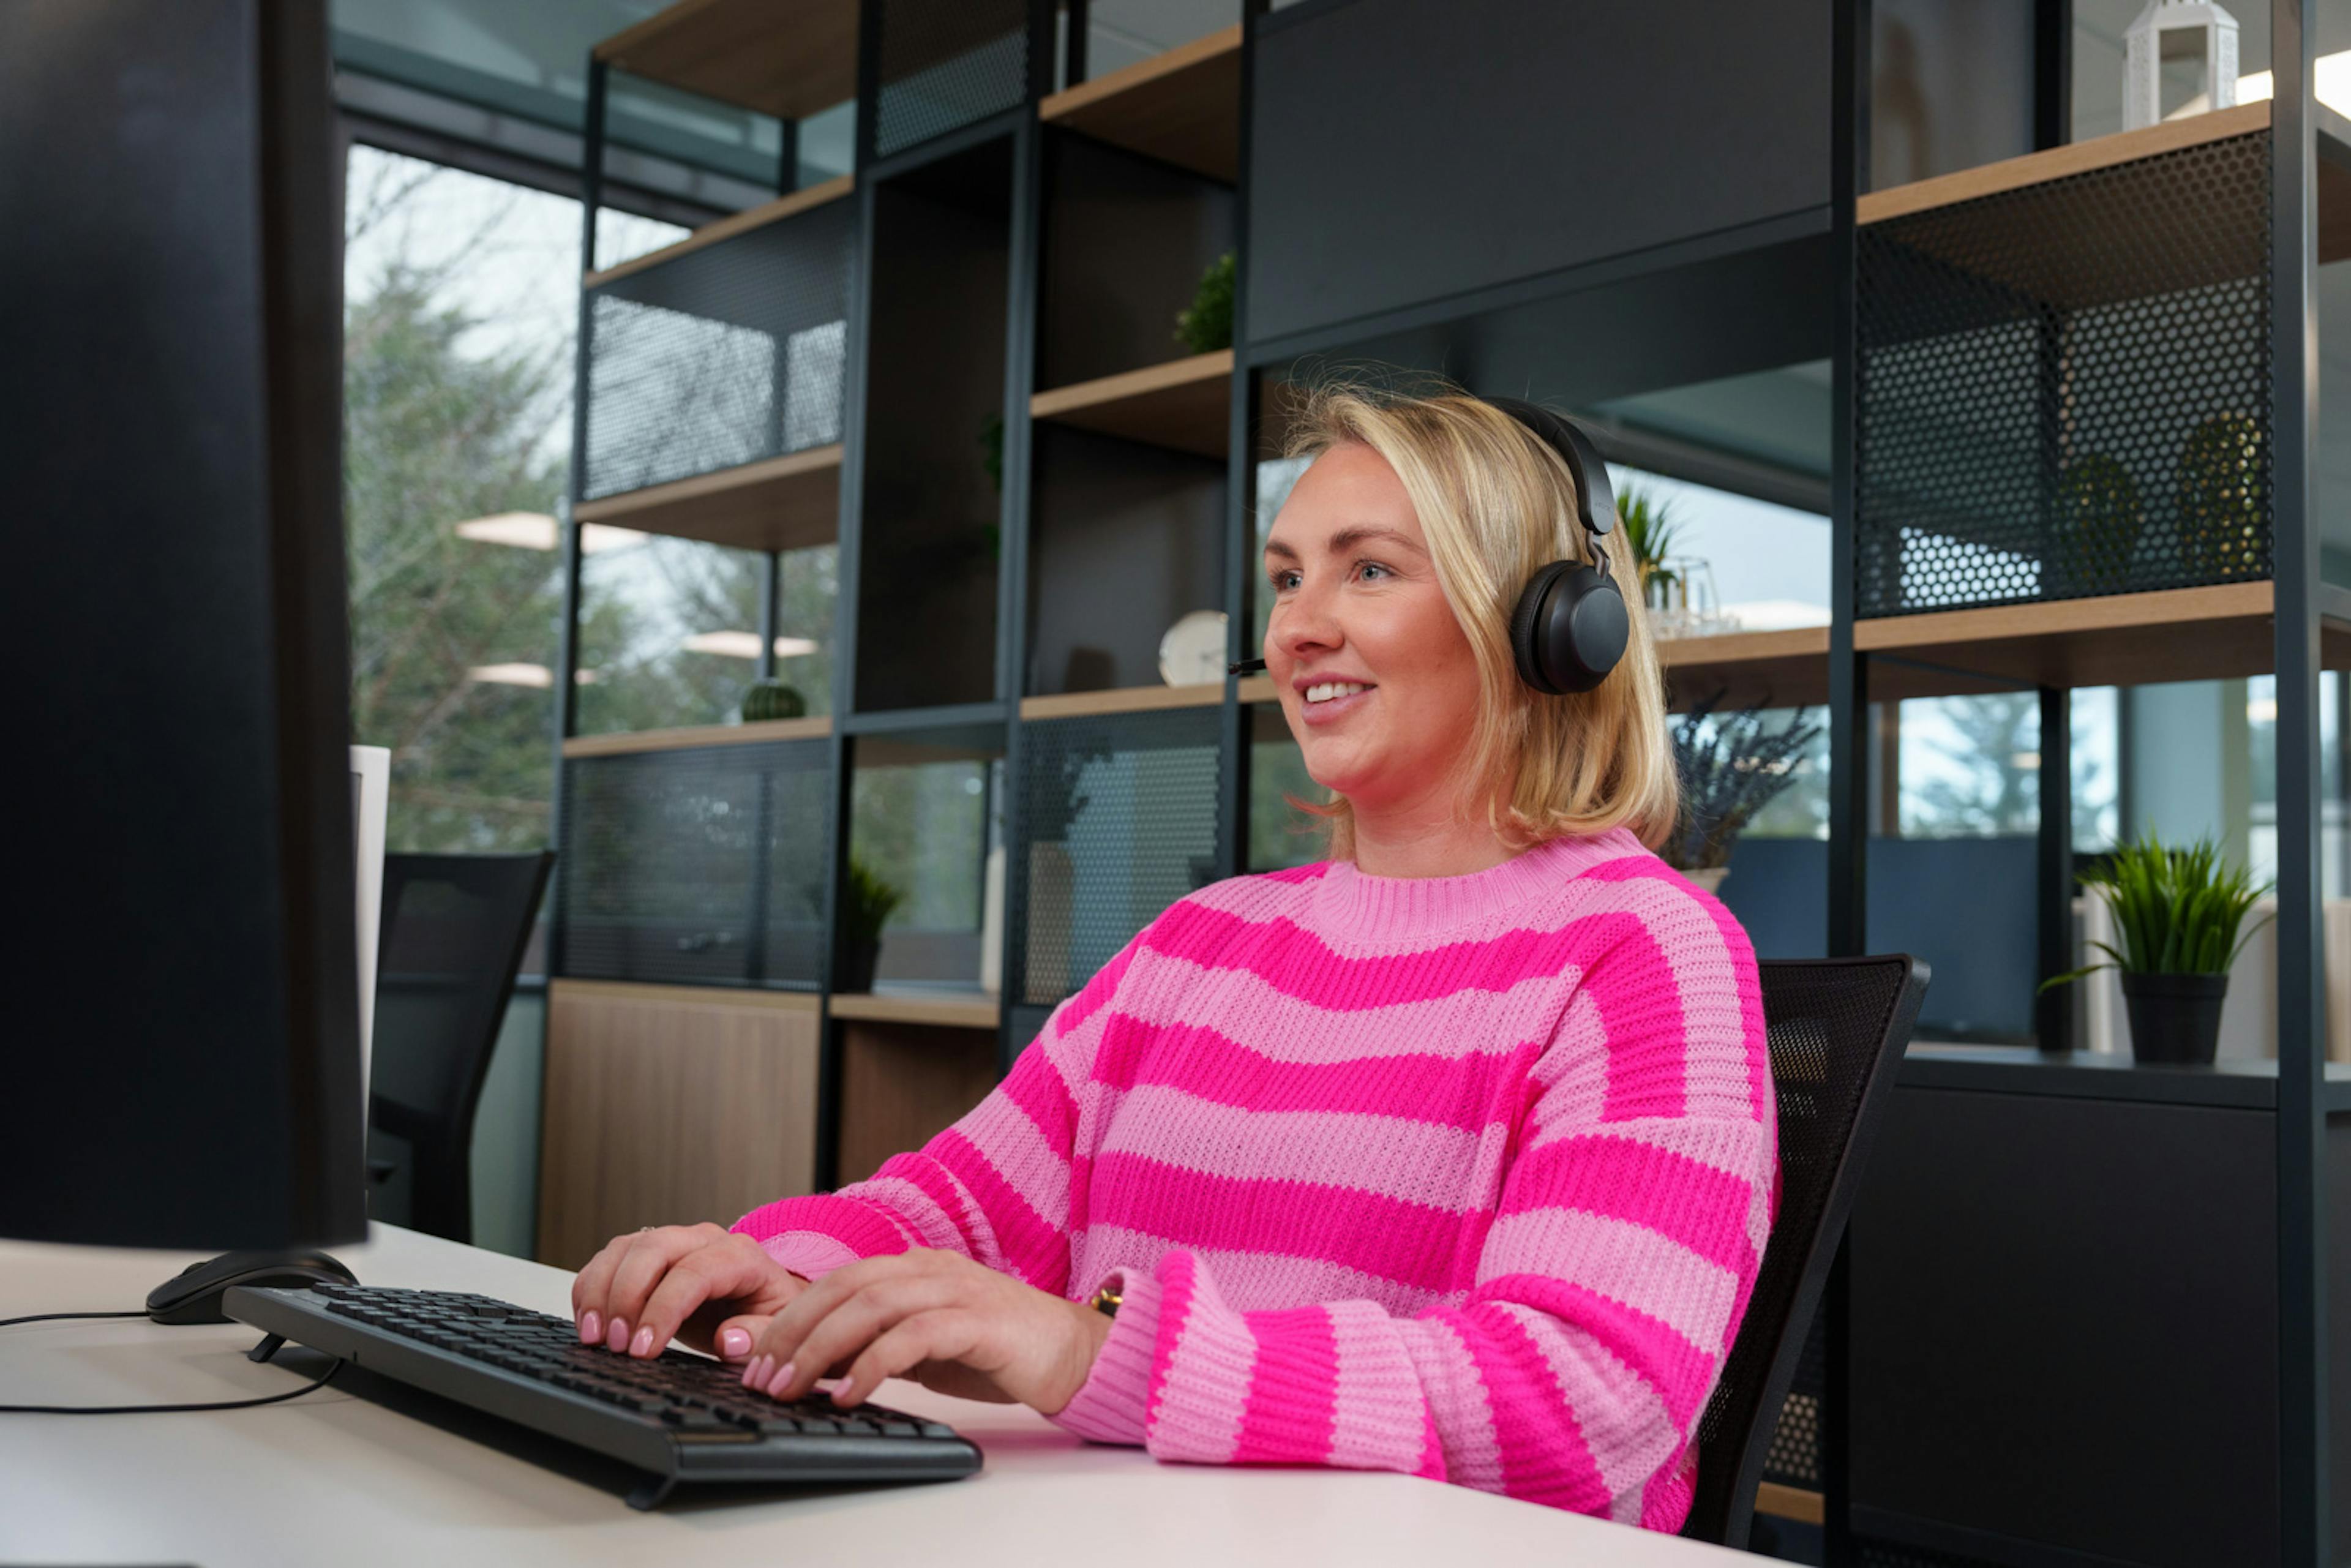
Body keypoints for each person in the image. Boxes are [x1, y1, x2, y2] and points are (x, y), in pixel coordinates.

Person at [569, 381, 1773, 1532]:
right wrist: (765, 1277)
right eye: (1287, 577)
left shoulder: (1645, 954)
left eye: (1369, 569)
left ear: (1547, 624)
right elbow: (960, 1215)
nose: (1298, 627)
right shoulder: (1206, 940)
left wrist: (1092, 1354)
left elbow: (1583, 1398)